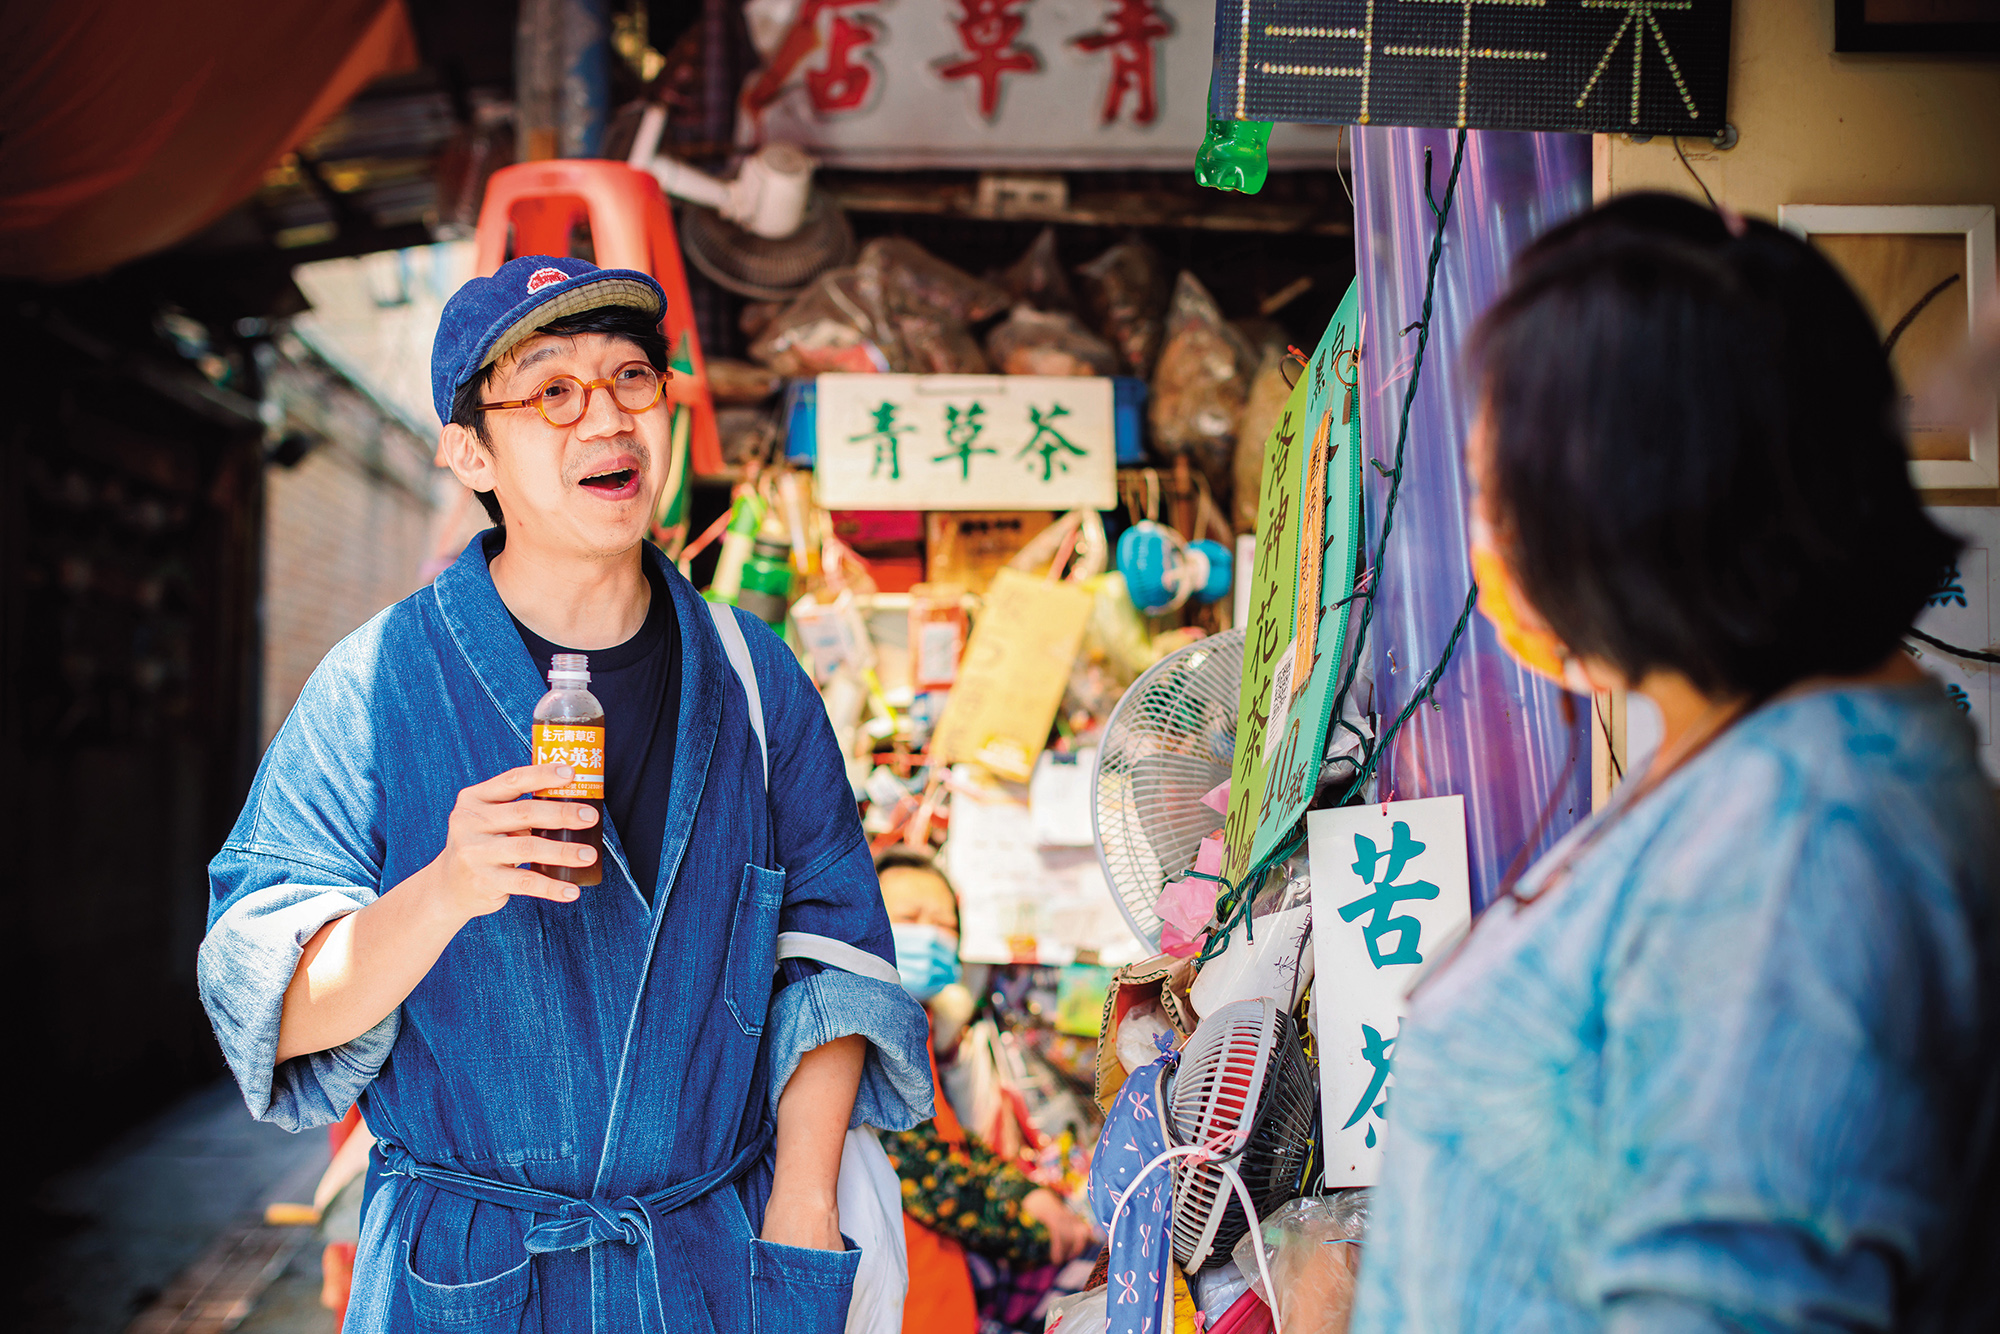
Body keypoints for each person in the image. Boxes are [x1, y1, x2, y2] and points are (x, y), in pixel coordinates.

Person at [197, 255, 932, 1334]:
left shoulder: (753, 675)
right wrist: (443, 889)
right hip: (468, 1278)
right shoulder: (379, 683)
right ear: (469, 451)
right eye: (552, 391)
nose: (608, 417)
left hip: (708, 1267)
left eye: (632, 376)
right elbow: (272, 1008)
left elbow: (831, 958)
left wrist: (805, 1211)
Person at [1353, 195, 2000, 1332]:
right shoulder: (1769, 762)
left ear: (1633, 492)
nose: (1489, 535)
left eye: (1498, 486)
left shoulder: (1804, 837)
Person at [874, 849, 1100, 1334]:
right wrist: (1046, 1234)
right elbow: (923, 1176)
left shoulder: (917, 1028)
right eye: (909, 918)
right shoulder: (863, 1033)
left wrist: (1025, 1192)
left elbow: (950, 1146)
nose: (930, 934)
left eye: (944, 924)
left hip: (941, 1299)